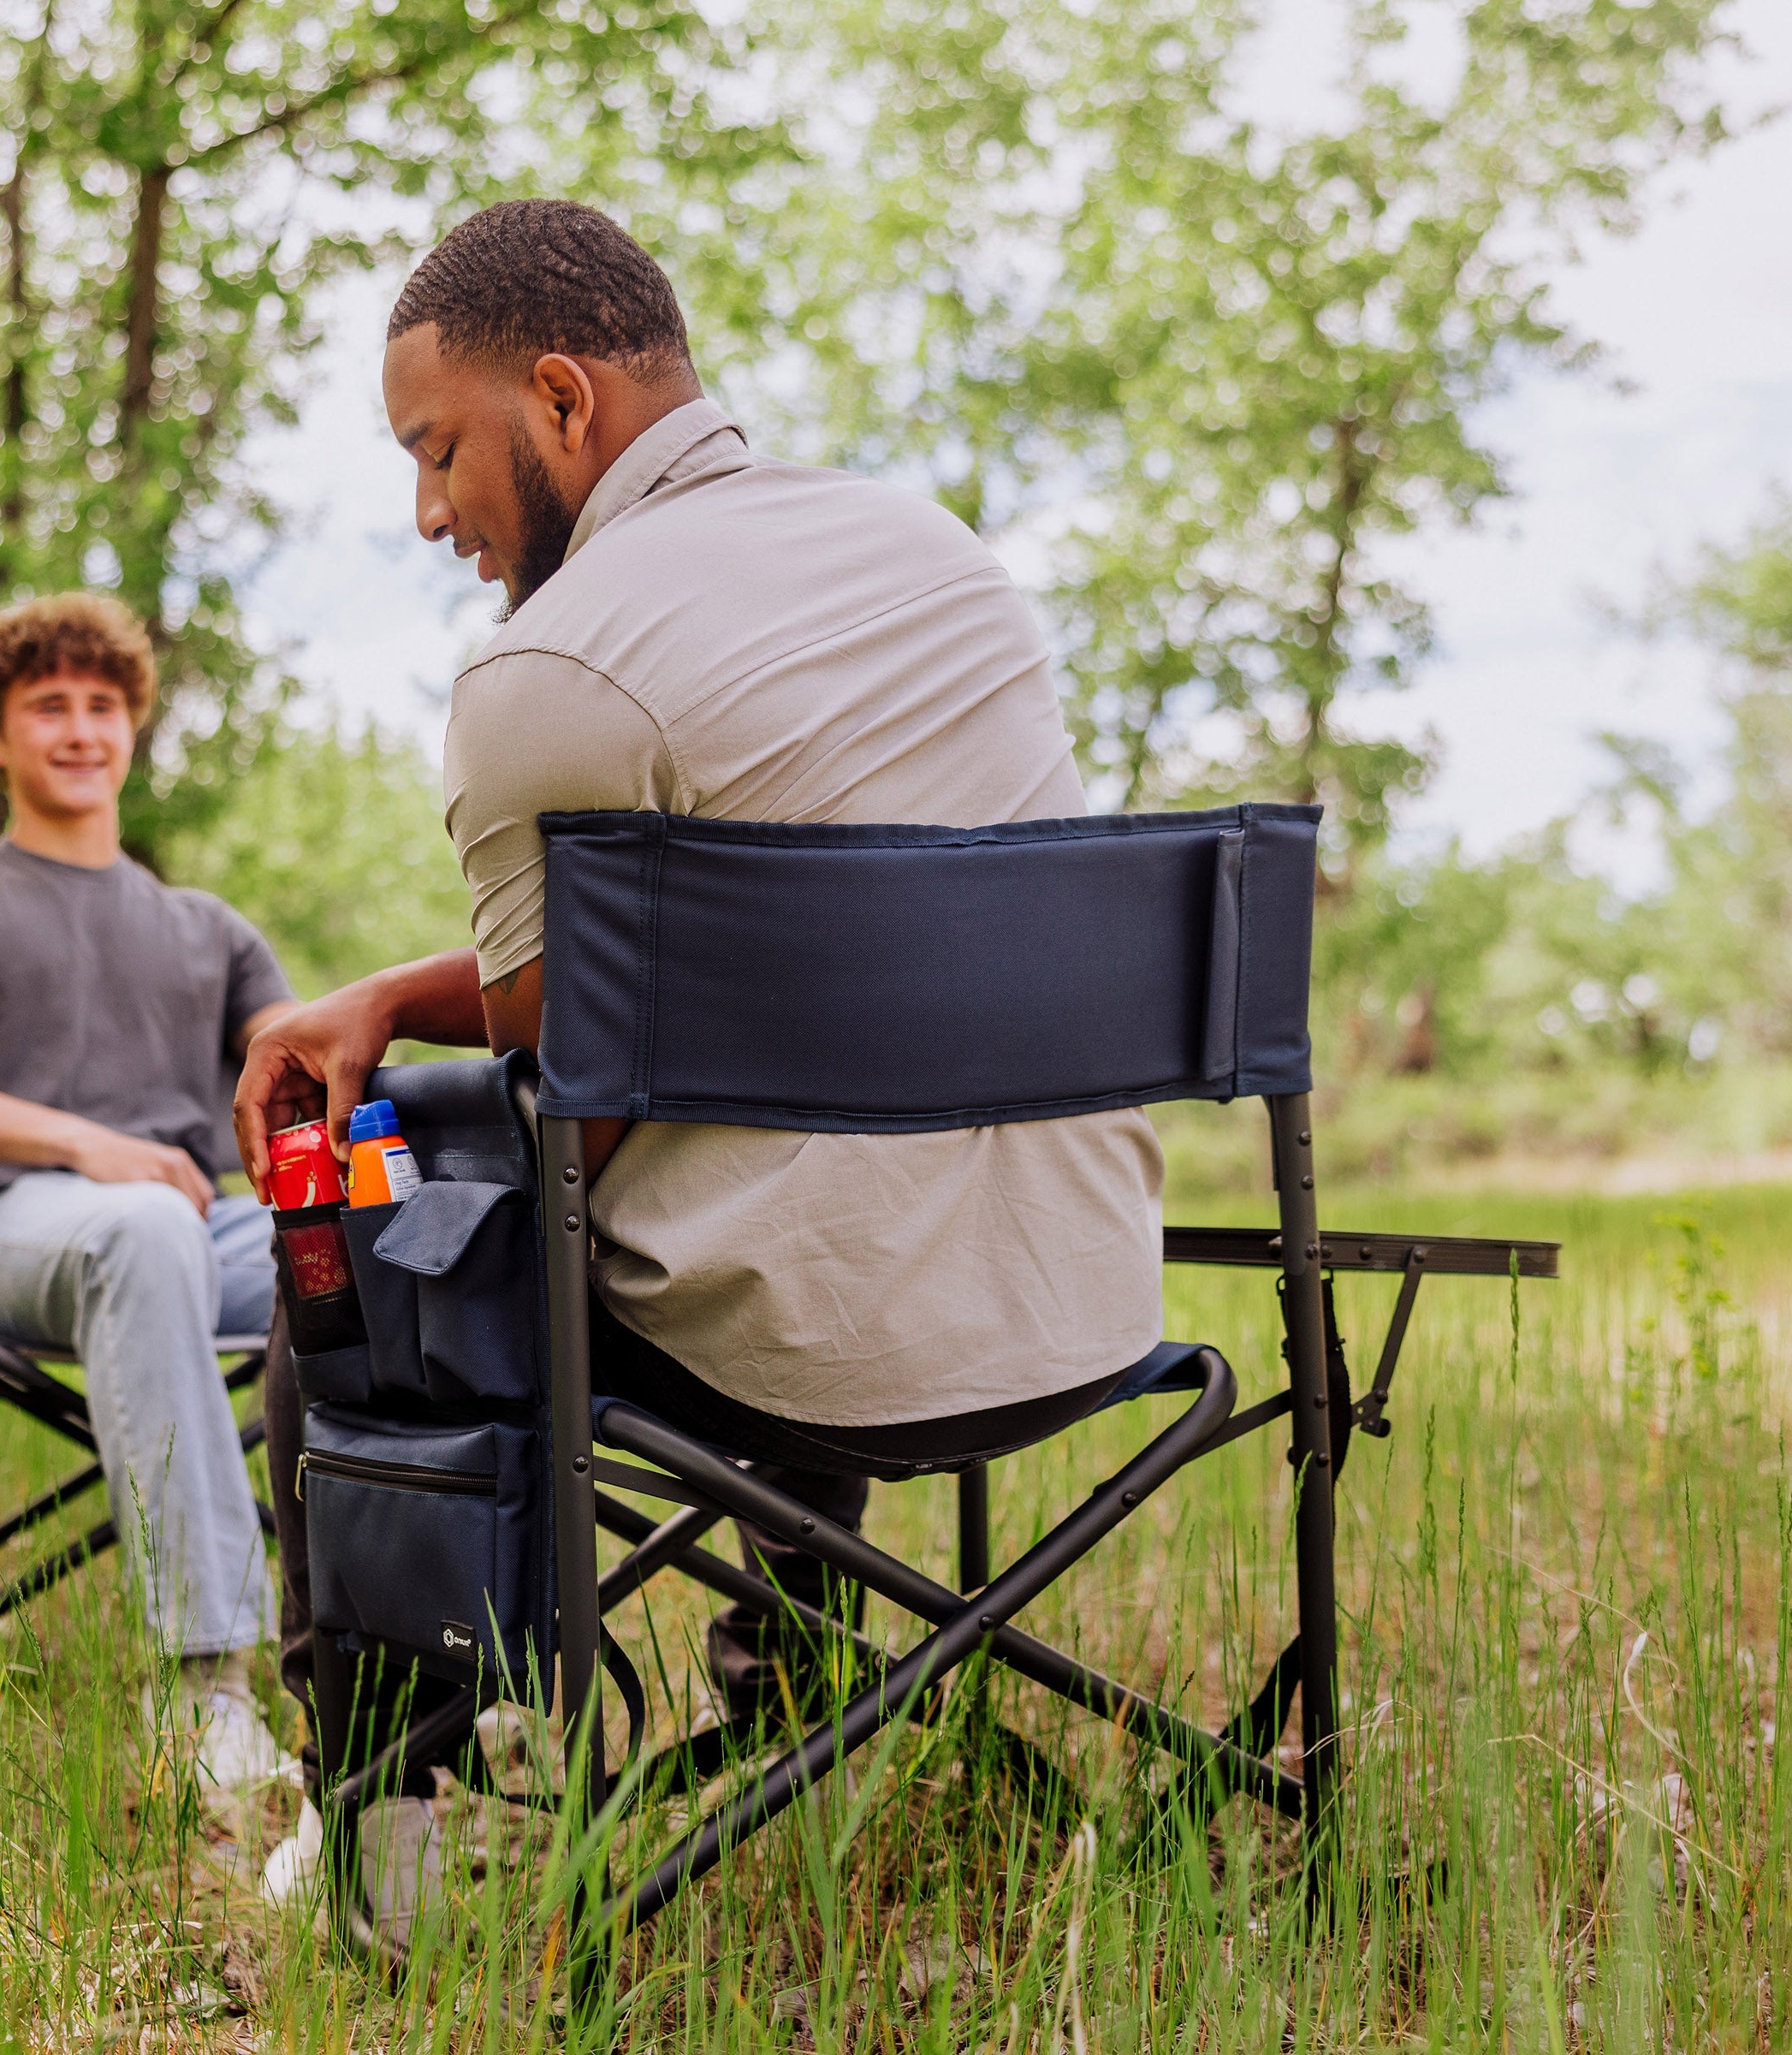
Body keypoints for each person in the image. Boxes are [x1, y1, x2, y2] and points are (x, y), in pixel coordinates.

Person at [234, 200, 1167, 1928]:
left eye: (437, 449)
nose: (428, 509)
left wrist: (385, 1054)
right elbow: (844, 947)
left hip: (805, 1334)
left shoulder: (548, 665)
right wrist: (398, 987)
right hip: (1071, 1299)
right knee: (780, 1137)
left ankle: (383, 1804)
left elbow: (566, 1033)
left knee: (349, 1246)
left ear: (564, 400)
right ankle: (798, 1698)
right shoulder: (941, 557)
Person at [0, 590, 294, 1793]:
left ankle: (454, 1665)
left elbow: (304, 1085)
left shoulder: (211, 929)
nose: (83, 730)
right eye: (50, 707)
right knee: (144, 1222)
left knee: (419, 1234)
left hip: (208, 1228)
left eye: (104, 706)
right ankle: (207, 1693)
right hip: (6, 1231)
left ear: (134, 729)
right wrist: (83, 1143)